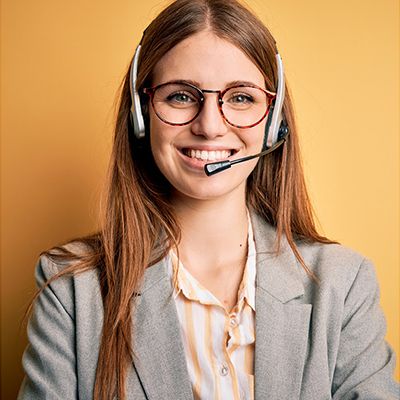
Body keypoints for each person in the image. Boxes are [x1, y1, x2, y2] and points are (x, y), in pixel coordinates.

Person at [18, 0, 399, 399]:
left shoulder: (343, 284)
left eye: (240, 98)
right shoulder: (71, 289)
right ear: (140, 113)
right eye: (181, 96)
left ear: (272, 123)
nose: (210, 126)